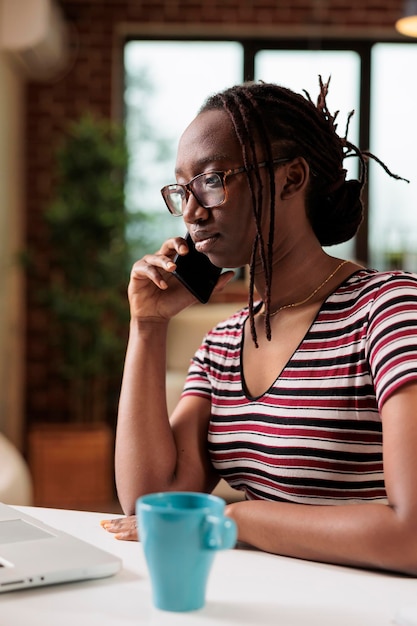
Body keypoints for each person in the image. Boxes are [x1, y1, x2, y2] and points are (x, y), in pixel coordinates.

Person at [102, 77, 417, 575]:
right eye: (181, 189)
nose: (190, 212)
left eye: (211, 181)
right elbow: (149, 506)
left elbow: (411, 537)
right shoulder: (223, 345)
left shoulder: (390, 310)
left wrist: (240, 519)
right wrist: (147, 326)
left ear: (291, 178)